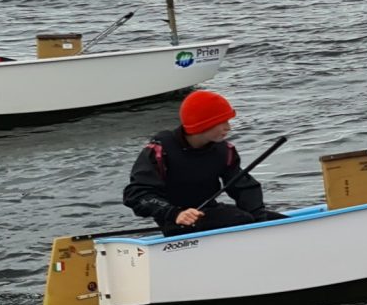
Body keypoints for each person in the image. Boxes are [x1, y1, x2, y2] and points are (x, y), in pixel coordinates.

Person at [121, 91, 286, 236]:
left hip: (210, 212)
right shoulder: (160, 150)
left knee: (281, 222)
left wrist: (260, 221)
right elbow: (137, 194)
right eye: (223, 122)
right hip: (177, 222)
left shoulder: (224, 151)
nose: (228, 127)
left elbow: (244, 187)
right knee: (241, 218)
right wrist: (174, 213)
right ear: (203, 124)